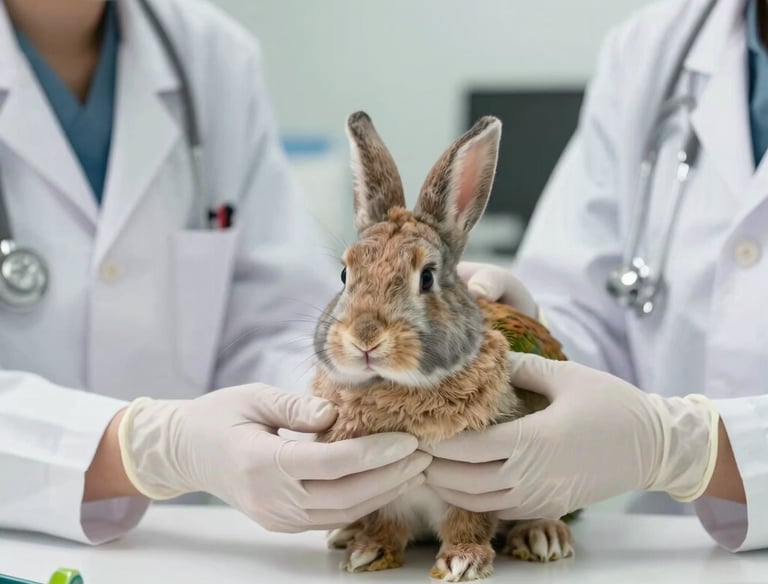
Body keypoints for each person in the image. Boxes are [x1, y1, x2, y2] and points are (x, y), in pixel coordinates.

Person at [0, 0, 429, 544]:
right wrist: (144, 448)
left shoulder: (212, 54)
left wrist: (352, 402)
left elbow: (272, 319)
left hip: (196, 542)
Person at [424, 0, 768, 553]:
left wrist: (686, 447)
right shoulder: (655, 48)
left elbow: (647, 436)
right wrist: (526, 333)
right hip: (668, 553)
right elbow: (589, 311)